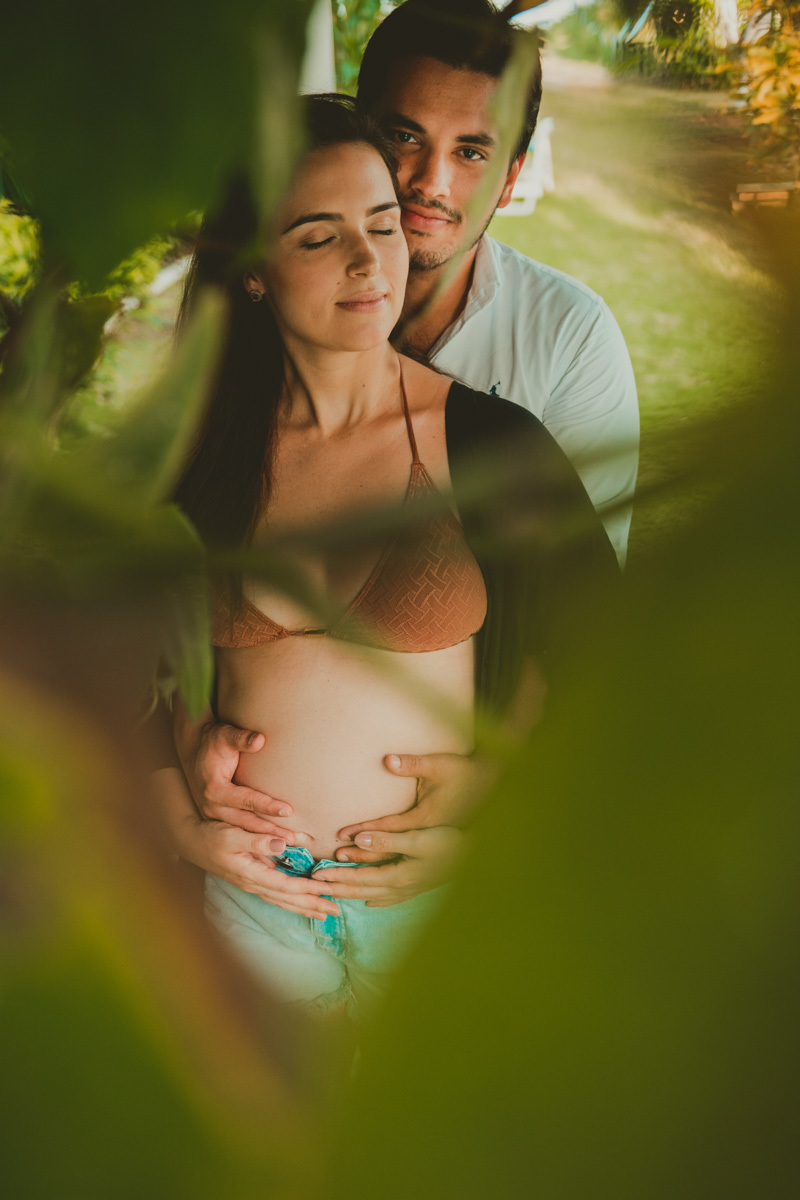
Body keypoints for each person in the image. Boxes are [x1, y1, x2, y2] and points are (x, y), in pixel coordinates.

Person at [171, 0, 637, 917]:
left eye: (471, 151)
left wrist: (498, 790)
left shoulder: (543, 371)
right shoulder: (220, 421)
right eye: (404, 138)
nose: (426, 182)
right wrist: (176, 761)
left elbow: (582, 635)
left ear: (508, 179)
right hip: (250, 900)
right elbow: (143, 625)